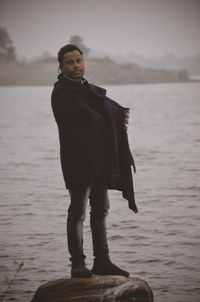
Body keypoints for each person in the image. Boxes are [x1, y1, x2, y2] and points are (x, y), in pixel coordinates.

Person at [51, 44, 138, 278]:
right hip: (78, 162)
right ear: (60, 67)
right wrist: (106, 117)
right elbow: (90, 121)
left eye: (79, 60)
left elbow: (101, 115)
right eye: (70, 62)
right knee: (77, 211)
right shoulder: (61, 93)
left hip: (98, 160)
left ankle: (103, 261)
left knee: (100, 209)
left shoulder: (90, 90)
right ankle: (77, 264)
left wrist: (107, 117)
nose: (76, 65)